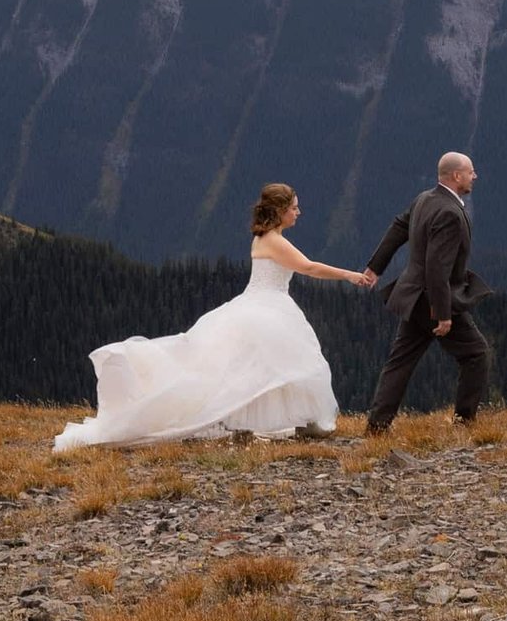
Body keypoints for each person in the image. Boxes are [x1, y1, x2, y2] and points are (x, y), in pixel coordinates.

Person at [52, 183, 376, 451]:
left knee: (254, 367)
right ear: (280, 211)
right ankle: (287, 423)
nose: (298, 212)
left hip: (260, 305)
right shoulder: (275, 241)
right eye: (294, 207)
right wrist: (349, 275)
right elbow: (308, 267)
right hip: (267, 308)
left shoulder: (264, 237)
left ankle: (271, 423)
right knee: (276, 364)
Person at [363, 151, 492, 434]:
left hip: (413, 296)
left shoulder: (425, 199)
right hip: (433, 299)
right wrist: (443, 313)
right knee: (476, 354)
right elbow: (437, 268)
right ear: (456, 176)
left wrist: (375, 267)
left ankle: (377, 427)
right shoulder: (449, 212)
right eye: (471, 172)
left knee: (401, 361)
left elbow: (399, 226)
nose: (475, 176)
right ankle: (464, 423)